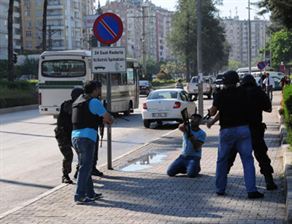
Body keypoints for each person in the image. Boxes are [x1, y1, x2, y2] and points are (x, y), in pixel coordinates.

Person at [208, 75, 277, 190]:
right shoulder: (257, 92)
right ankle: (268, 181)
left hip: (237, 127)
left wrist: (212, 121)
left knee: (228, 157)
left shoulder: (236, 93)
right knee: (260, 155)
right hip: (254, 129)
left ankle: (221, 184)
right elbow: (269, 109)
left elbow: (221, 110)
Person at [72, 80, 113, 204]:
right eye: (99, 89)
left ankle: (90, 193)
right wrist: (111, 119)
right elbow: (107, 118)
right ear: (95, 90)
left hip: (75, 137)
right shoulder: (94, 102)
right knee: (85, 167)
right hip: (87, 138)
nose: (100, 91)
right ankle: (79, 195)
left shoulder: (78, 100)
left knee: (85, 166)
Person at [54, 87, 84, 184]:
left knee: (82, 154)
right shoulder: (67, 105)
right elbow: (71, 111)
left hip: (74, 133)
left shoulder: (80, 105)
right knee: (68, 155)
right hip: (63, 134)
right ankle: (65, 175)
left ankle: (78, 172)